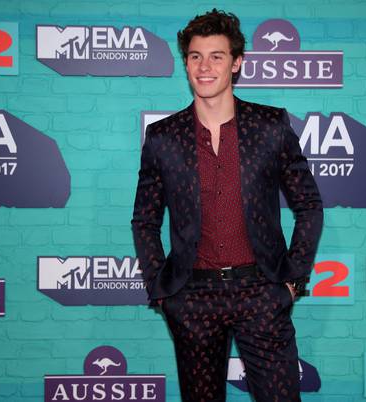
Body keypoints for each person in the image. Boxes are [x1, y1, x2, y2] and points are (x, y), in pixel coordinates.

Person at [132, 9, 323, 402]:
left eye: (216, 56)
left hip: (261, 292)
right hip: (192, 298)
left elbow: (308, 204)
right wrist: (162, 289)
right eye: (195, 57)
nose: (205, 67)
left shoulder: (270, 126)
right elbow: (145, 220)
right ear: (185, 63)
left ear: (236, 63)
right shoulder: (162, 137)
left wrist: (291, 281)